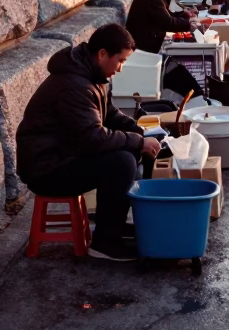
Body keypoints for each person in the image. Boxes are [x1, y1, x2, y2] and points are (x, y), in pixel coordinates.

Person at [16, 23, 158, 262]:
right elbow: (92, 138)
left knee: (129, 153)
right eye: (120, 61)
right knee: (122, 161)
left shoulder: (92, 74)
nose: (120, 69)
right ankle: (104, 243)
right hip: (46, 168)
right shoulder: (73, 84)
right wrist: (136, 141)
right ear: (102, 54)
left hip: (64, 155)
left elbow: (108, 113)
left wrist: (139, 131)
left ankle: (113, 228)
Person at [125, 0, 201, 97]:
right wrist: (188, 25)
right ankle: (195, 97)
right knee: (175, 72)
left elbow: (164, 15)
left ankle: (194, 96)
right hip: (142, 48)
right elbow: (166, 22)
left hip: (147, 43)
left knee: (175, 70)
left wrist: (184, 16)